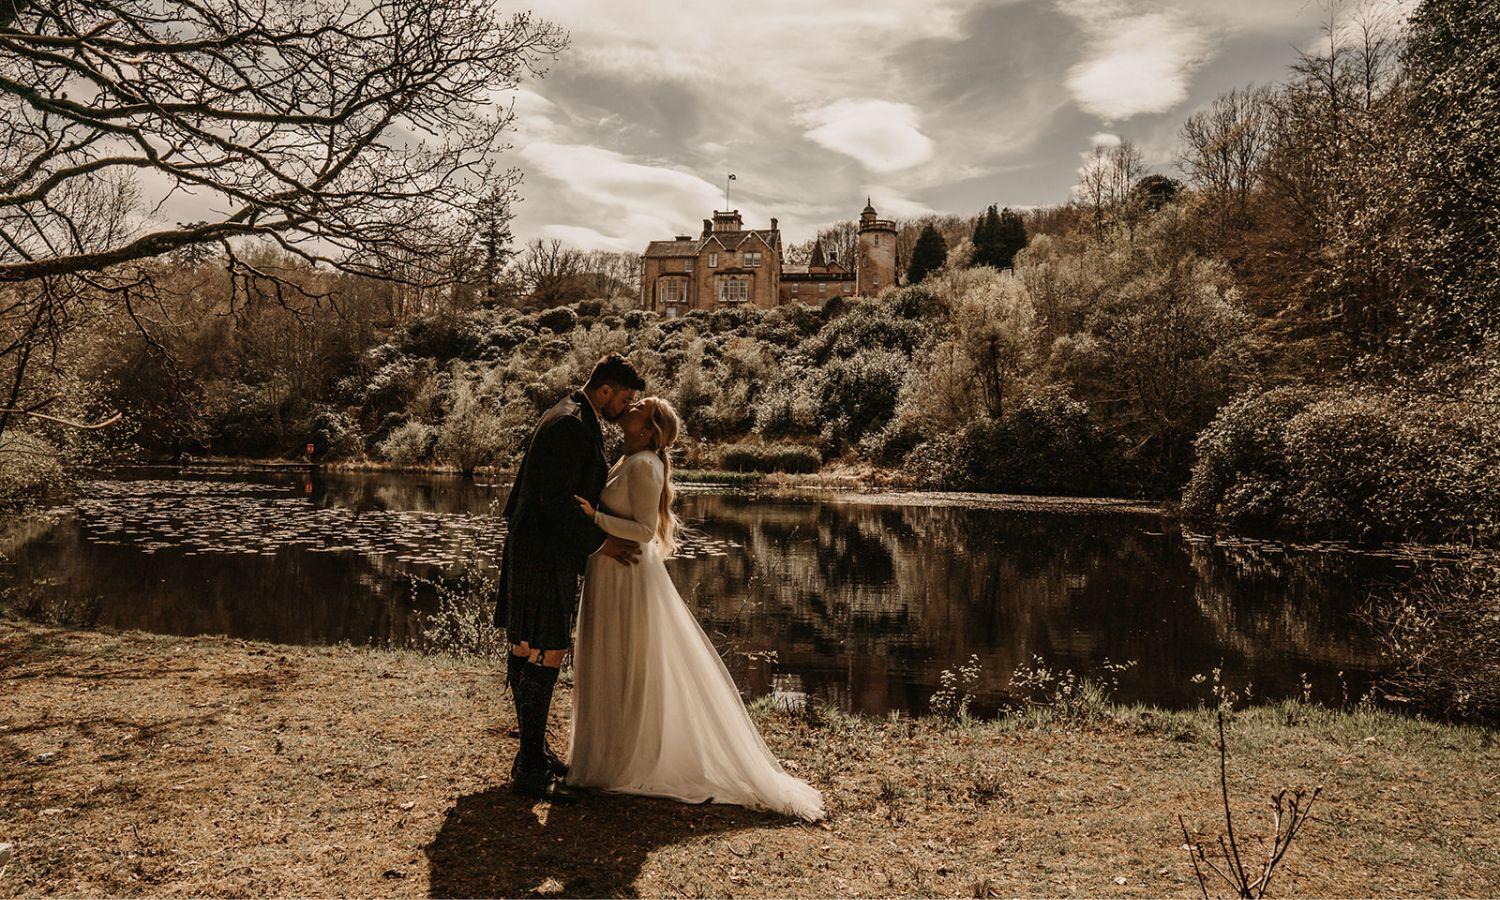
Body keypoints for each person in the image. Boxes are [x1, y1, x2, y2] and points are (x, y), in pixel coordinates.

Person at [567, 396, 825, 821]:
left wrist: (595, 519)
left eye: (642, 407)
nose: (633, 405)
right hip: (611, 572)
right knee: (614, 660)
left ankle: (623, 759)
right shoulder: (629, 458)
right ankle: (606, 755)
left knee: (627, 660)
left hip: (627, 576)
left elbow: (646, 530)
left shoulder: (647, 464)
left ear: (650, 430)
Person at [494, 353, 645, 802]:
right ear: (605, 391)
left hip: (540, 549)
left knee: (528, 646)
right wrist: (602, 544)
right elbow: (553, 501)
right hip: (543, 552)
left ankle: (532, 755)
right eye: (625, 398)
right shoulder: (570, 424)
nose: (626, 406)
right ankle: (530, 767)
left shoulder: (573, 414)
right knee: (546, 648)